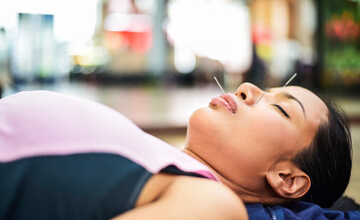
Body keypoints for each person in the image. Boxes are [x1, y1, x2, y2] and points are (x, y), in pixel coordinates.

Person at [0, 83, 358, 220]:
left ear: (286, 179)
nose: (247, 87)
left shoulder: (213, 205)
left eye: (281, 108)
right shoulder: (158, 163)